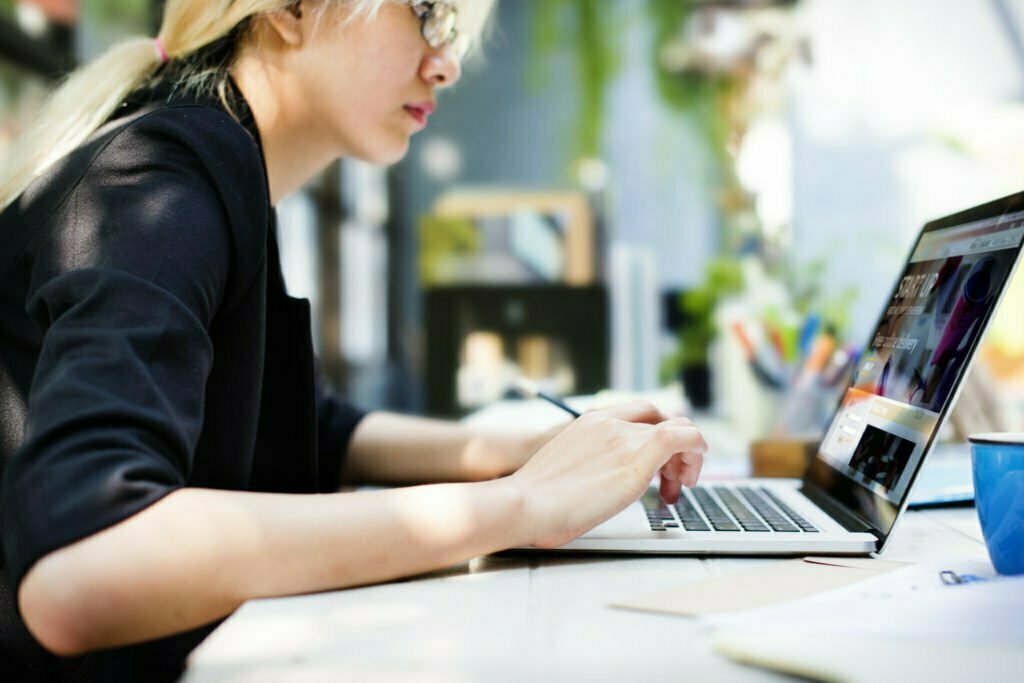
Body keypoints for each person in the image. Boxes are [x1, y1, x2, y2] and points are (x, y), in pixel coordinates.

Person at [0, 1, 707, 680]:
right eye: (426, 9)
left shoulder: (220, 170)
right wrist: (519, 504)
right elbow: (84, 555)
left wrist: (529, 455)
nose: (446, 64)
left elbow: (308, 423)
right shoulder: (158, 189)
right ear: (291, 8)